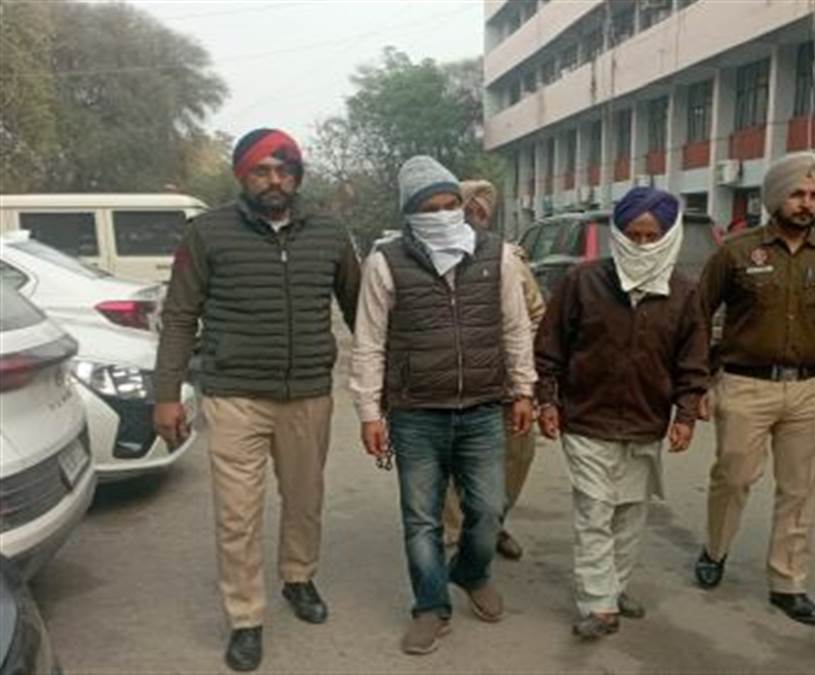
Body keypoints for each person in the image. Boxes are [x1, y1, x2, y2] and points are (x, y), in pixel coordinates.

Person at [153, 128, 361, 672]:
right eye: (262, 170)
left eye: (284, 170)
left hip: (307, 394)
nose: (275, 180)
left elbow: (361, 309)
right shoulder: (207, 233)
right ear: (242, 175)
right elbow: (180, 316)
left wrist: (382, 384)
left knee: (304, 499)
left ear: (297, 176)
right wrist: (166, 394)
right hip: (234, 396)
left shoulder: (330, 232)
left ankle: (298, 577)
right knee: (237, 514)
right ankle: (245, 617)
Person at [350, 156, 536, 656]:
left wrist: (523, 389)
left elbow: (516, 327)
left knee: (488, 509)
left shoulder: (497, 255)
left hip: (482, 408)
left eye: (449, 204)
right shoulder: (385, 263)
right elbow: (369, 342)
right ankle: (430, 606)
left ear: (461, 203)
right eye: (428, 208)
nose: (441, 215)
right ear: (410, 213)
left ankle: (471, 572)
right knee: (421, 519)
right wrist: (369, 412)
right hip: (415, 413)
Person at [693, 152, 815, 626]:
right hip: (745, 385)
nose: (806, 204)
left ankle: (788, 582)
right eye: (797, 194)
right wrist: (698, 381)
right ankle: (715, 549)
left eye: (814, 196)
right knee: (733, 477)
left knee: (801, 488)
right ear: (776, 197)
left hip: (811, 388)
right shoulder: (736, 251)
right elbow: (698, 315)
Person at [535, 187, 708, 639]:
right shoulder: (583, 281)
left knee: (630, 512)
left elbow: (692, 362)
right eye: (633, 235)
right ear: (617, 234)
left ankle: (614, 586)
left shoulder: (684, 293)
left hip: (646, 422)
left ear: (668, 237)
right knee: (594, 509)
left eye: (652, 236)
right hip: (586, 417)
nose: (642, 244)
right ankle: (599, 604)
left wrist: (686, 415)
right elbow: (550, 346)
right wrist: (547, 400)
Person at [441, 179, 546, 561]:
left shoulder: (510, 259)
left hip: (505, 384)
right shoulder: (433, 258)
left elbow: (537, 315)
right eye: (467, 210)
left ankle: (492, 523)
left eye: (481, 212)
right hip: (449, 384)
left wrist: (519, 364)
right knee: (449, 462)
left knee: (518, 456)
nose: (474, 218)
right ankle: (455, 533)